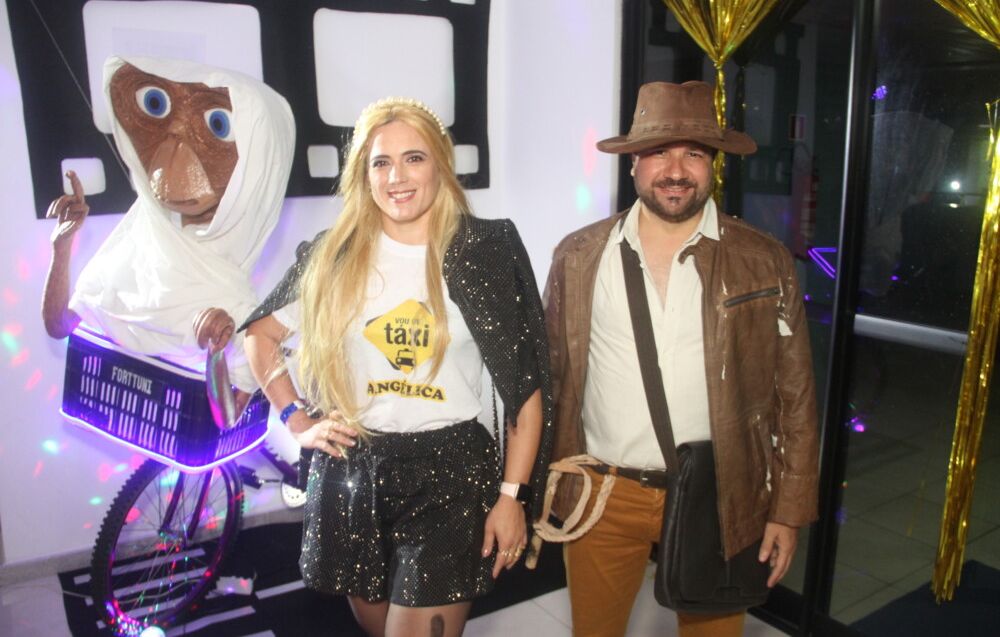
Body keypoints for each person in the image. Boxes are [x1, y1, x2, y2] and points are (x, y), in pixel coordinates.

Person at [244, 97, 553, 637]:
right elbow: (260, 334)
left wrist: (512, 496)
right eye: (381, 163)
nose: (397, 177)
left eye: (414, 158)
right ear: (363, 175)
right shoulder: (334, 254)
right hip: (353, 468)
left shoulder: (485, 249)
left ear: (441, 164)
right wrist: (296, 420)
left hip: (451, 475)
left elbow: (525, 389)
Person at [543, 81, 819, 636]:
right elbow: (550, 378)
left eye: (693, 153)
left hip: (722, 497)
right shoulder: (579, 255)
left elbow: (796, 396)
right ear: (633, 164)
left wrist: (787, 511)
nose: (675, 170)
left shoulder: (763, 260)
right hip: (604, 494)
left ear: (713, 164)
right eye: (658, 153)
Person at [42, 56, 295, 409]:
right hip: (118, 419)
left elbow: (228, 417)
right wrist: (62, 245)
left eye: (217, 126)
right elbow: (59, 325)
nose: (174, 158)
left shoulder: (238, 308)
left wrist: (216, 355)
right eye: (157, 105)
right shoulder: (138, 246)